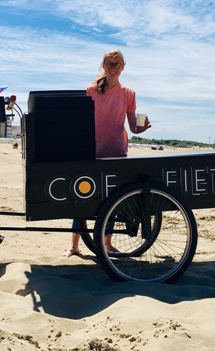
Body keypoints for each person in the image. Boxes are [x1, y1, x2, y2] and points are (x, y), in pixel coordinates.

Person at [63, 49, 151, 257]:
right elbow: (82, 121)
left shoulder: (129, 93)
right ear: (103, 66)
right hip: (92, 150)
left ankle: (108, 243)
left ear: (123, 68)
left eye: (117, 64)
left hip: (117, 151)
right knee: (82, 197)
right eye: (110, 64)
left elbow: (132, 126)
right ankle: (74, 246)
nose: (113, 68)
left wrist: (142, 128)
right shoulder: (91, 90)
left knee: (113, 199)